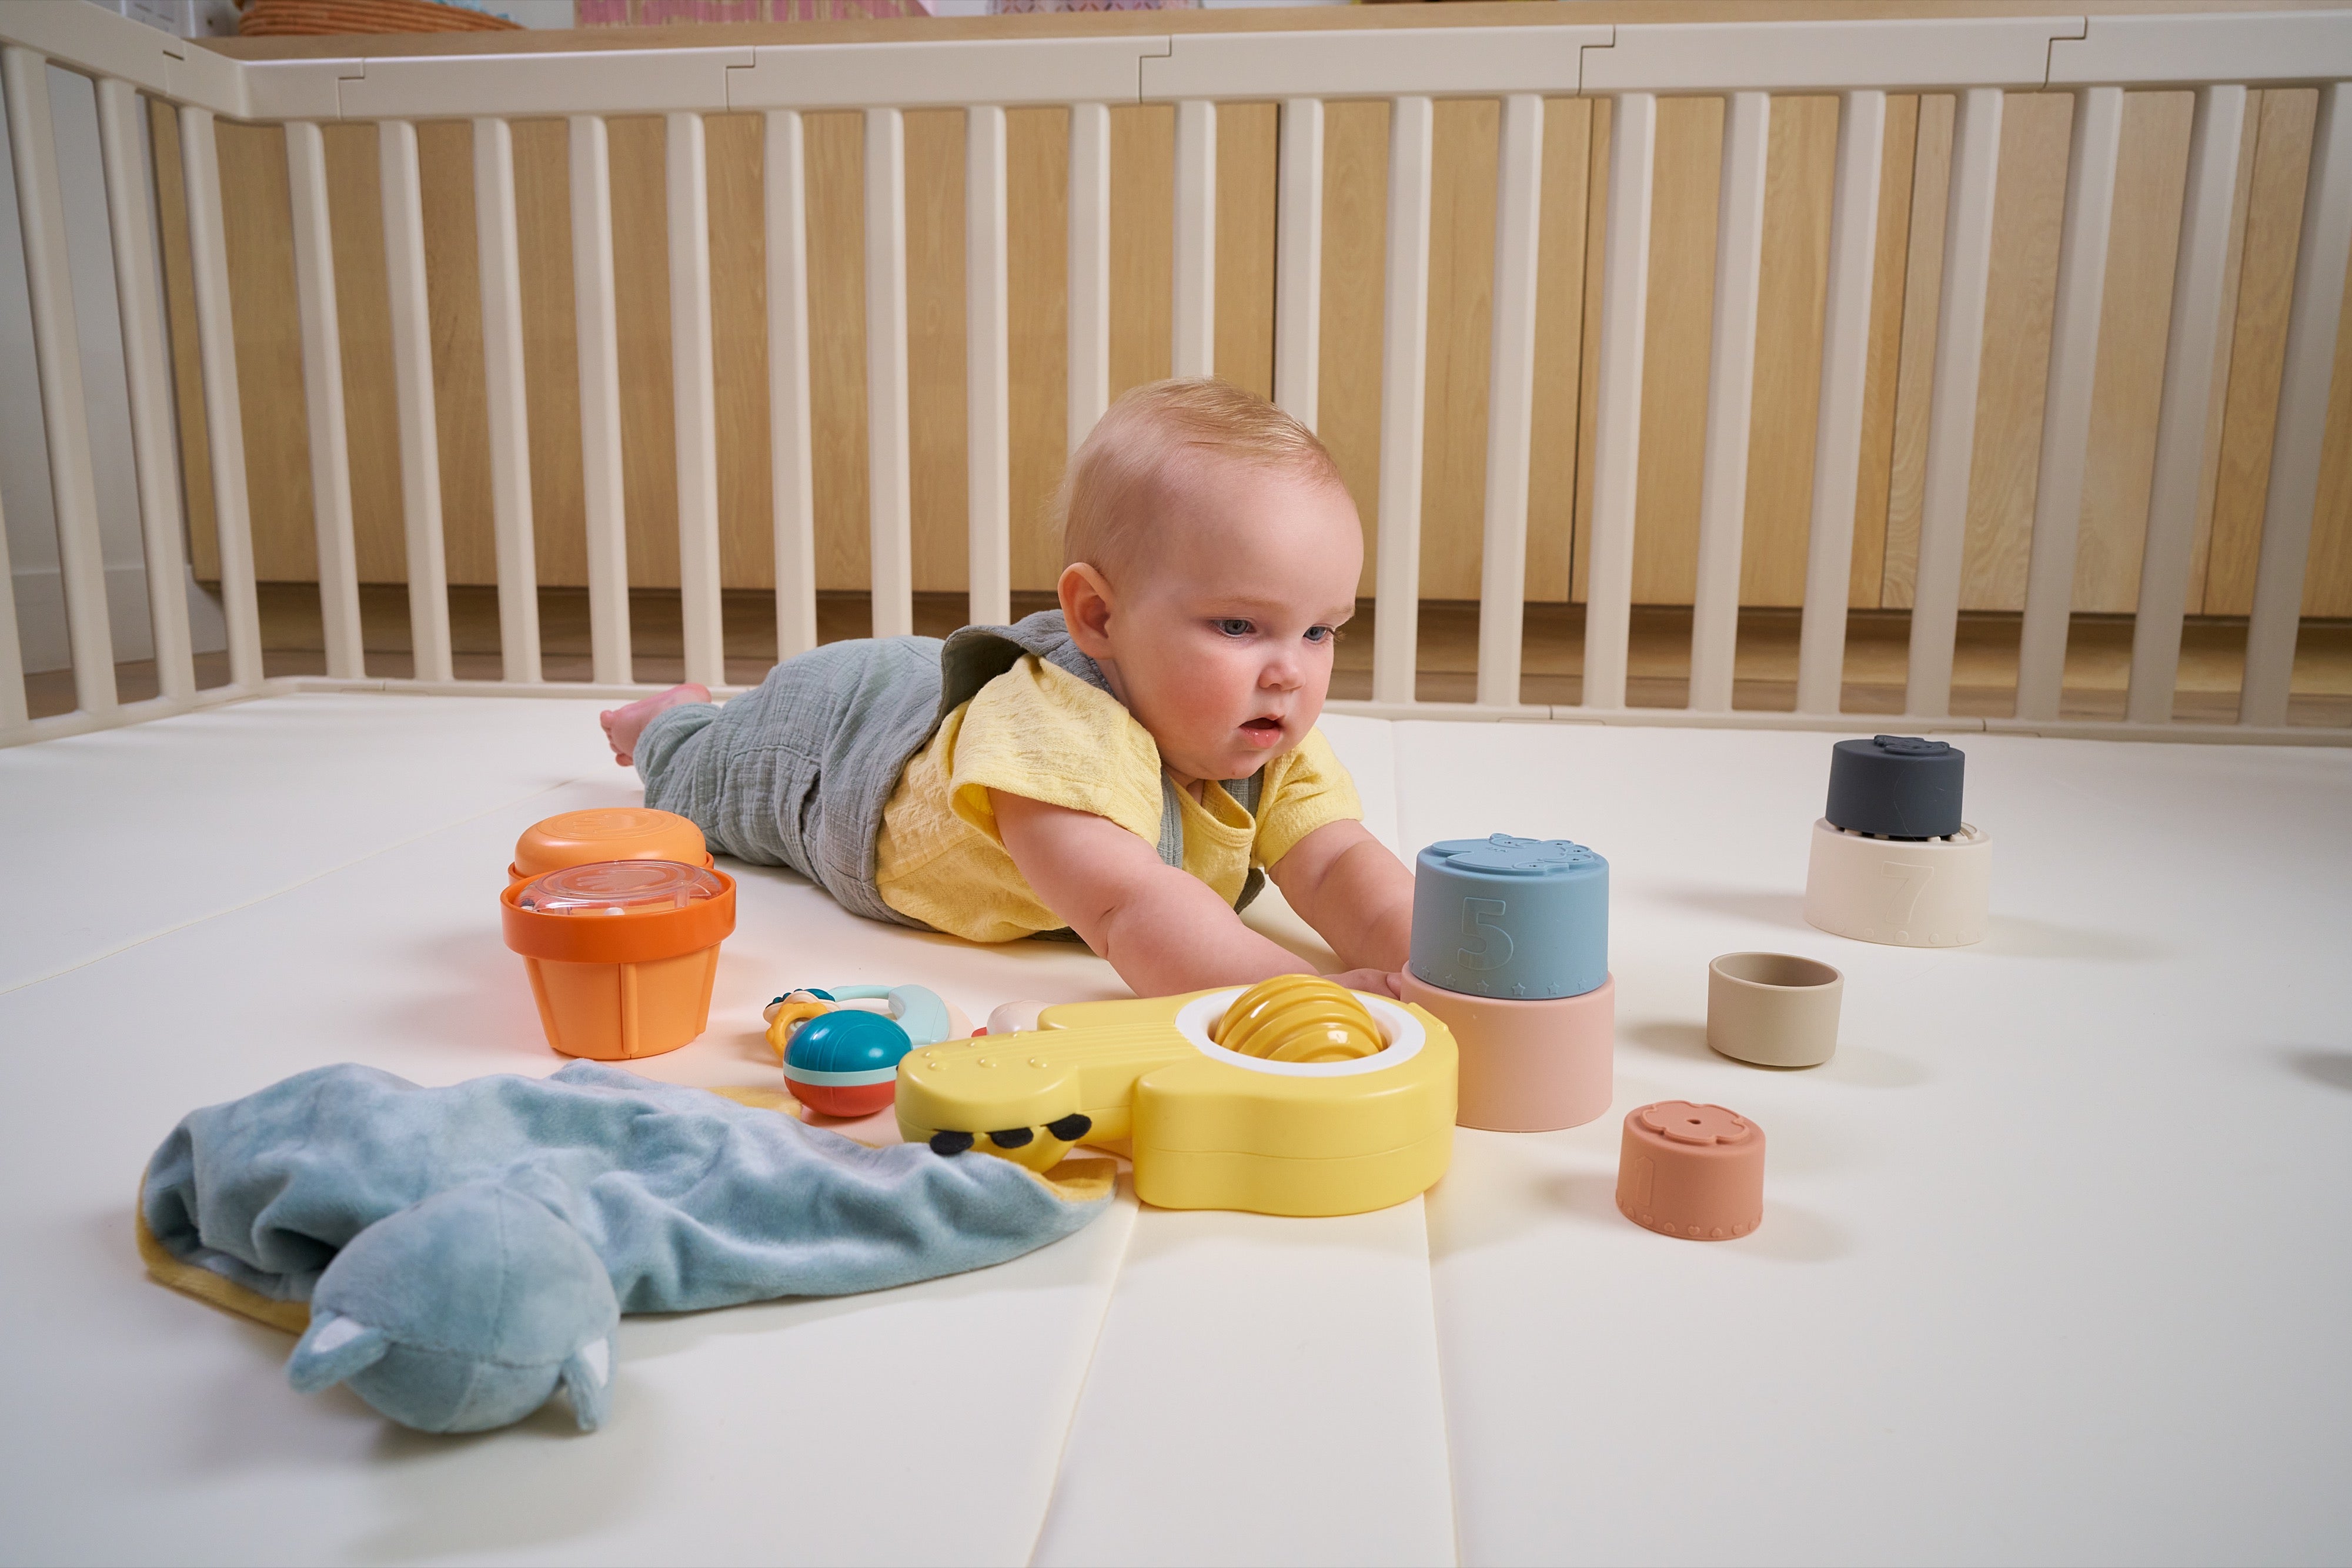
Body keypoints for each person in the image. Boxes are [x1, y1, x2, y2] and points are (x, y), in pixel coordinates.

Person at [599, 377, 1415, 999]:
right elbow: (1132, 907)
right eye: (1239, 627)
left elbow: (1341, 866)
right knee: (699, 780)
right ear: (1098, 615)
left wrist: (1440, 966)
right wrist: (1308, 1003)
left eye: (1319, 631)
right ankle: (669, 720)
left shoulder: (1266, 730)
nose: (1291, 671)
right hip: (843, 755)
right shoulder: (1056, 736)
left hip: (946, 710)